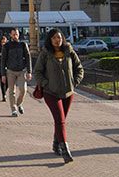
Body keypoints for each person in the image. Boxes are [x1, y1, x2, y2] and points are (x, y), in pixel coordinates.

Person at [33, 28, 84, 164]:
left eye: (59, 37)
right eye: (55, 37)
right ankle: (65, 149)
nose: (58, 40)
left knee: (61, 121)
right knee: (60, 120)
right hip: (51, 92)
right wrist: (46, 84)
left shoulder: (69, 51)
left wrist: (75, 82)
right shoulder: (45, 53)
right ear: (50, 39)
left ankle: (56, 143)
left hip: (68, 92)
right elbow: (37, 72)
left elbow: (79, 67)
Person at [0, 28, 32, 117]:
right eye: (13, 34)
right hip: (10, 71)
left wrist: (29, 71)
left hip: (22, 71)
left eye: (17, 34)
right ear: (10, 35)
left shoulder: (23, 45)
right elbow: (3, 60)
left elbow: (28, 57)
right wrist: (3, 74)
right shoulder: (6, 46)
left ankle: (18, 103)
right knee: (11, 91)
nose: (15, 36)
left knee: (23, 90)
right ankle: (13, 110)